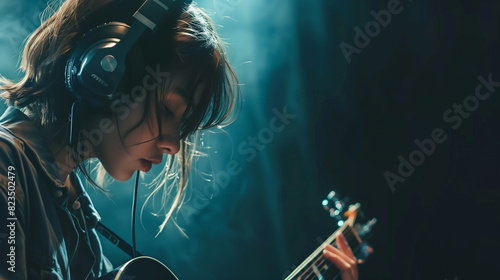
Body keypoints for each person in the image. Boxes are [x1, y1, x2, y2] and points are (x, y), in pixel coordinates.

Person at [0, 0, 358, 279]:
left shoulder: (77, 219)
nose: (173, 144)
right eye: (170, 110)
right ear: (105, 69)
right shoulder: (7, 168)